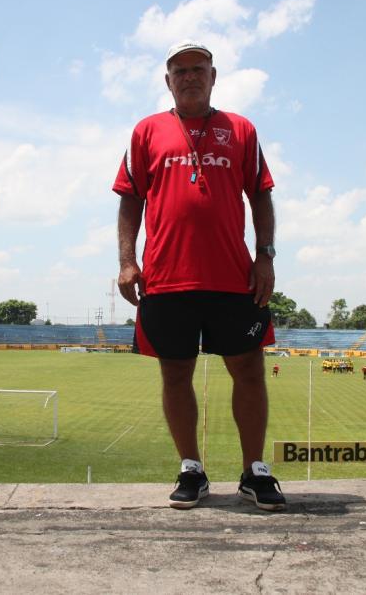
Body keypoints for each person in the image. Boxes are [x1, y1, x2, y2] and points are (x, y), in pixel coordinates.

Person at [113, 40, 285, 512]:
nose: (190, 76)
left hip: (233, 277)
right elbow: (130, 199)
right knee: (175, 374)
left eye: (198, 68)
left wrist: (265, 256)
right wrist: (128, 261)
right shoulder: (146, 131)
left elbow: (261, 196)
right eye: (179, 70)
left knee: (249, 371)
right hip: (167, 277)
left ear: (214, 76)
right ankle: (191, 467)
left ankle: (255, 471)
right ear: (168, 81)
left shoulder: (241, 129)